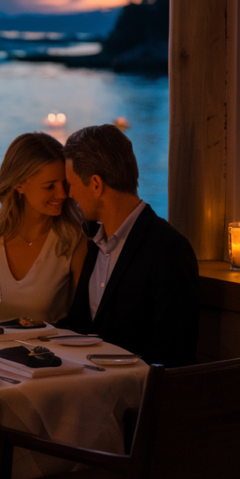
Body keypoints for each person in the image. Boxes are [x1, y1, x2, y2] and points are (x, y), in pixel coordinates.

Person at [58, 123, 199, 367]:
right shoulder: (94, 244)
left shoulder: (169, 249)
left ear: (95, 184)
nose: (69, 195)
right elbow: (78, 326)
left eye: (71, 184)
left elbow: (176, 352)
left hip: (136, 399)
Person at [0, 132, 87, 322]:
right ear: (19, 185)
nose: (62, 194)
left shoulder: (74, 239)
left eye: (65, 184)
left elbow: (80, 322)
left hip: (50, 351)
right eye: (49, 186)